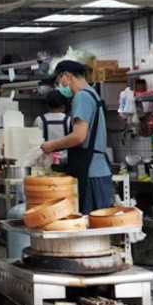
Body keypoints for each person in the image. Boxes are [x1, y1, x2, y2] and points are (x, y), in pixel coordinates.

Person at [38, 60, 113, 213]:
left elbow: (79, 136)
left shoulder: (82, 97)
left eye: (59, 82)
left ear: (67, 76)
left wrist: (52, 145)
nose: (59, 87)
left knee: (89, 226)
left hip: (91, 173)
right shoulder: (92, 94)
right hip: (98, 171)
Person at [37, 88, 72, 171]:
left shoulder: (40, 120)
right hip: (66, 162)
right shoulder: (69, 120)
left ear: (47, 105)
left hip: (47, 163)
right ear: (63, 105)